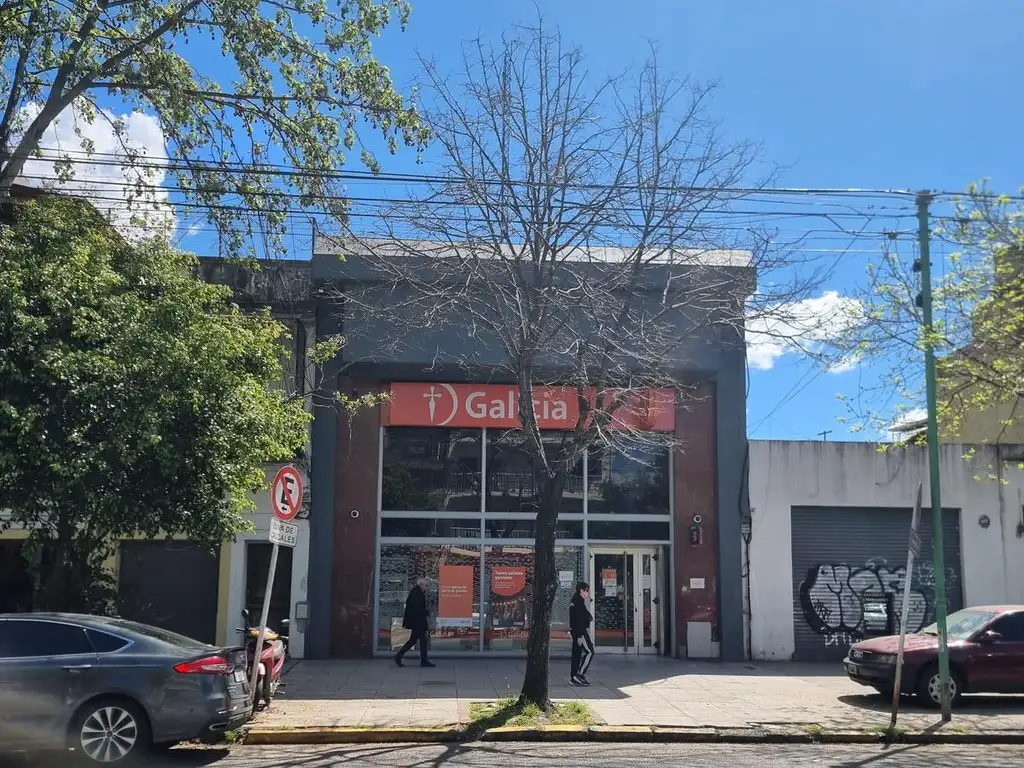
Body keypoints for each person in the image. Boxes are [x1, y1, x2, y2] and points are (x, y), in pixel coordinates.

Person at [395, 576, 435, 668]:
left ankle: (399, 656)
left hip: (417, 621)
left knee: (414, 640)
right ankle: (423, 661)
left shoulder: (417, 592)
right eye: (426, 585)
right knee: (422, 640)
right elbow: (417, 609)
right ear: (421, 585)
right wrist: (426, 612)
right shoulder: (416, 594)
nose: (427, 587)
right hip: (417, 622)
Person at [569, 581, 593, 686]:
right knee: (590, 652)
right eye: (586, 590)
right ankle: (579, 674)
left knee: (577, 654)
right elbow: (577, 620)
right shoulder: (578, 602)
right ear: (581, 591)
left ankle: (574, 676)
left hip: (577, 631)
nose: (588, 593)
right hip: (580, 632)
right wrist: (578, 636)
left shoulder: (576, 601)